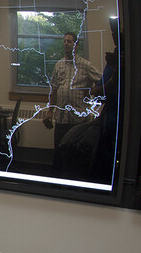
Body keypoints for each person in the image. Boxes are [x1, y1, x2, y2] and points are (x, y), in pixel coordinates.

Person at [42, 31, 101, 175]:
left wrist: (91, 92)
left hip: (78, 120)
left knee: (75, 157)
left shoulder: (85, 65)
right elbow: (54, 90)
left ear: (76, 45)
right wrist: (50, 112)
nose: (66, 44)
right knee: (59, 153)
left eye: (69, 41)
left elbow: (101, 82)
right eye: (64, 41)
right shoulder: (59, 65)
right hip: (61, 118)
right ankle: (55, 185)